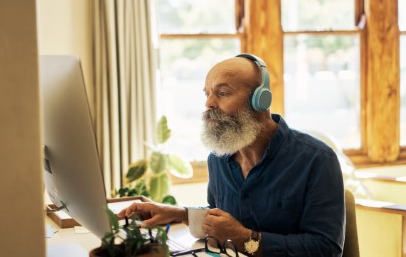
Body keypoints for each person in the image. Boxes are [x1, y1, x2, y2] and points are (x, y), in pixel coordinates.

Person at [118, 54, 346, 256]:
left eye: (222, 93)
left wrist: (246, 239)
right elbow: (220, 218)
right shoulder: (217, 158)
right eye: (207, 94)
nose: (208, 103)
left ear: (261, 99)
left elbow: (326, 248)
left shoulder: (317, 160)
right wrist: (177, 213)